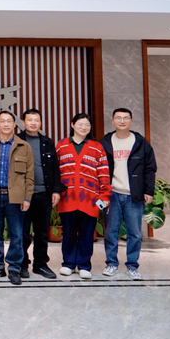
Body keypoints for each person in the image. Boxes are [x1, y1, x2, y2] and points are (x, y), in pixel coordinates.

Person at [100, 108, 156, 280]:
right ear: (112, 121)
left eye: (126, 118)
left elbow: (150, 168)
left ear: (131, 121)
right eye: (118, 118)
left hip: (134, 195)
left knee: (135, 233)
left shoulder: (140, 142)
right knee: (110, 231)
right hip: (112, 194)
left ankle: (132, 266)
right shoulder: (105, 142)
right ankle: (111, 263)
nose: (122, 121)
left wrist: (148, 190)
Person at [56, 113, 111, 280]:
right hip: (67, 198)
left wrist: (104, 197)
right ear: (72, 125)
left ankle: (84, 265)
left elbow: (104, 173)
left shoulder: (97, 147)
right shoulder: (61, 145)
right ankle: (68, 264)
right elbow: (55, 171)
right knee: (69, 232)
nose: (83, 127)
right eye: (80, 124)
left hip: (91, 200)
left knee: (87, 234)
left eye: (87, 125)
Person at [0, 111, 34, 285]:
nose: (6, 124)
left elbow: (29, 176)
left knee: (17, 234)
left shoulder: (24, 146)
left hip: (16, 198)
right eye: (2, 121)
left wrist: (27, 198)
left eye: (9, 121)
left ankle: (14, 268)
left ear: (14, 124)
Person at [18, 108, 66, 280]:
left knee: (42, 232)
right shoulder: (17, 140)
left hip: (44, 194)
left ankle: (40, 264)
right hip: (23, 195)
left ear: (40, 123)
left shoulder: (47, 142)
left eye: (36, 120)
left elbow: (55, 168)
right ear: (23, 122)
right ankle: (22, 264)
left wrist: (56, 190)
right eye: (29, 120)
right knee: (22, 232)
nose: (33, 123)